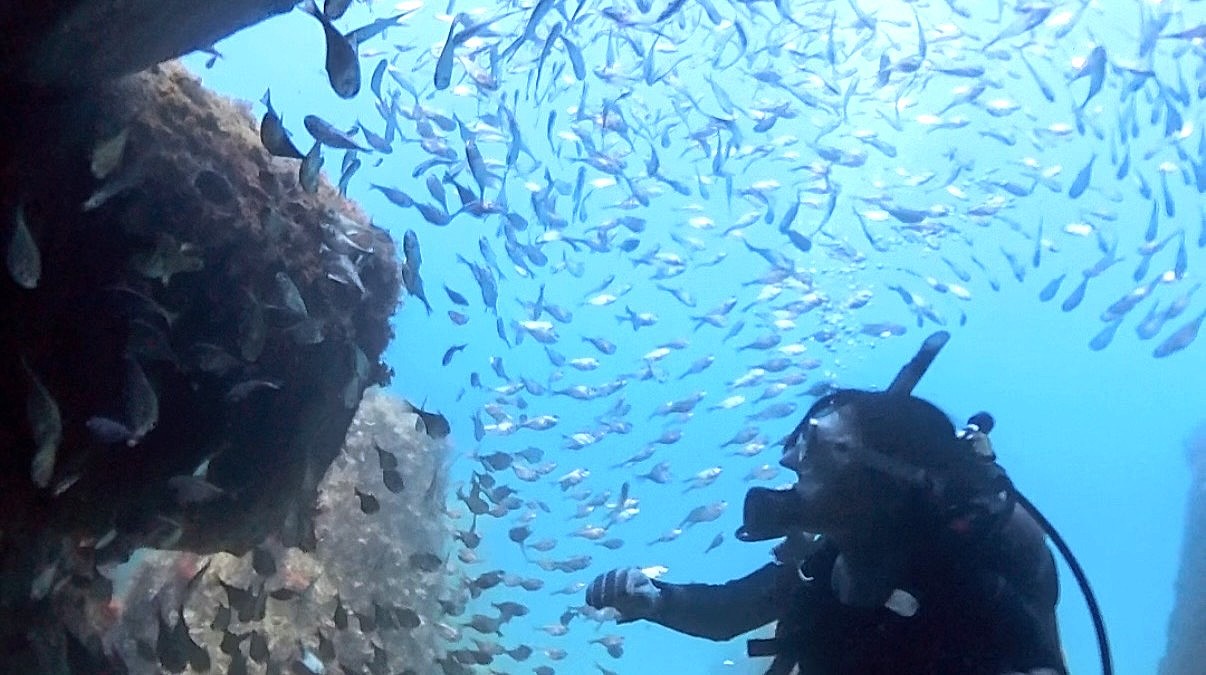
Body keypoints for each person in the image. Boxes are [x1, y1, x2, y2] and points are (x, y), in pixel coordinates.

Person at [586, 332, 1105, 675]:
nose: (789, 460)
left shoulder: (966, 580)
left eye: (811, 443)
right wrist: (654, 599)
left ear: (879, 475)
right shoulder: (830, 562)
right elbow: (733, 611)